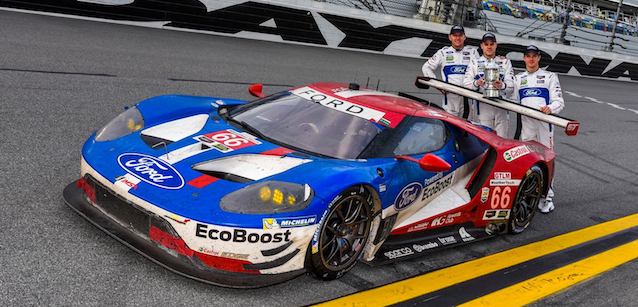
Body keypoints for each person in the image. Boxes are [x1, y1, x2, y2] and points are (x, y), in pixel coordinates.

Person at [512, 45, 565, 213]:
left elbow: (559, 102)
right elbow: (511, 100)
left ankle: (547, 197)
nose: (531, 59)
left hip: (544, 125)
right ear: (524, 58)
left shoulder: (550, 77)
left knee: (546, 160)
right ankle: (528, 192)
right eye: (528, 56)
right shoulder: (518, 79)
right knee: (526, 160)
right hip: (526, 126)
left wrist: (550, 108)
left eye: (534, 55)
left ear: (539, 58)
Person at [463, 32, 514, 137]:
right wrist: (477, 83)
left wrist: (502, 85)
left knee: (501, 141)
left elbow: (511, 87)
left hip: (501, 108)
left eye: (491, 44)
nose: (489, 47)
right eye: (486, 44)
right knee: (483, 141)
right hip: (482, 107)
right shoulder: (475, 62)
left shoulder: (505, 62)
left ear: (496, 45)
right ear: (482, 46)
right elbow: (466, 84)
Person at [422, 25, 479, 118]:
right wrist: (437, 85)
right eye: (455, 35)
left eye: (460, 35)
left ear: (464, 37)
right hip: (449, 100)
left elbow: (480, 71)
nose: (457, 38)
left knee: (465, 129)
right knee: (449, 128)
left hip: (468, 99)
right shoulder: (443, 52)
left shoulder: (472, 52)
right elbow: (426, 67)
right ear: (450, 37)